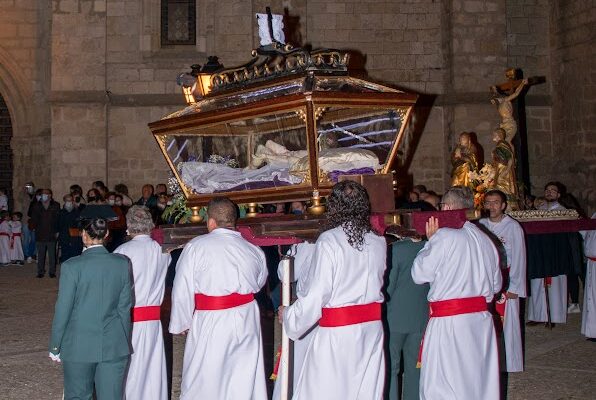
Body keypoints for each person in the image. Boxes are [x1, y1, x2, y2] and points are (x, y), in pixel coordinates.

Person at [280, 181, 386, 400]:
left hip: (339, 334)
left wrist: (290, 316)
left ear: (335, 206)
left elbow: (318, 293)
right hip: (371, 330)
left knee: (327, 391)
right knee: (363, 391)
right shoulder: (378, 240)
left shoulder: (329, 240)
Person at [169, 197, 268, 400]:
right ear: (234, 220)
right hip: (246, 319)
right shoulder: (254, 250)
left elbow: (182, 287)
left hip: (212, 320)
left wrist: (181, 322)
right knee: (242, 374)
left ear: (210, 221)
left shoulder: (197, 246)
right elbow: (259, 283)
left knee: (204, 377)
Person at [411, 186, 501, 400]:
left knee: (443, 382)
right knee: (477, 379)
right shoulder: (486, 240)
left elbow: (418, 274)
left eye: (441, 206)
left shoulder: (444, 237)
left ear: (449, 207)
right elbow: (496, 285)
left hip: (450, 323)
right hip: (481, 322)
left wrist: (429, 242)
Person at [48, 208, 132, 400]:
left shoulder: (72, 266)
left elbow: (63, 310)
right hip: (113, 343)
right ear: (107, 234)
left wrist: (55, 345)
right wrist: (122, 340)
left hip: (78, 345)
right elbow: (124, 308)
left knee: (78, 396)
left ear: (84, 235)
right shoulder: (121, 263)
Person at [114, 206, 171, 400]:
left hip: (130, 320)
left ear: (128, 227)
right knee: (152, 368)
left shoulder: (121, 252)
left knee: (131, 370)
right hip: (153, 320)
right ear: (151, 225)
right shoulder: (163, 251)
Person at [480, 190, 526, 373]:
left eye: (496, 202)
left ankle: (510, 362)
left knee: (508, 323)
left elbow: (520, 256)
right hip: (486, 281)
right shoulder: (481, 224)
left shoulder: (512, 227)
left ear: (504, 205)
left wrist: (516, 286)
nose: (491, 206)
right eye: (488, 202)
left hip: (507, 279)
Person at [385, 234, 429, 400]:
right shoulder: (431, 246)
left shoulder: (396, 249)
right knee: (416, 369)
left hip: (394, 319)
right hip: (421, 317)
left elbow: (388, 288)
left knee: (391, 368)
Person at [271, 242, 316, 400]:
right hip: (343, 321)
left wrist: (294, 247)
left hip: (309, 317)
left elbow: (286, 273)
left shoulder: (309, 244)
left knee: (298, 370)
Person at [527, 181, 569, 324]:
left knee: (555, 284)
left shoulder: (563, 210)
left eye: (553, 190)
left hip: (555, 253)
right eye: (547, 190)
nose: (549, 192)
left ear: (558, 194)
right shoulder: (539, 209)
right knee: (537, 283)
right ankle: (538, 316)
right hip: (539, 251)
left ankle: (555, 315)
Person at [30, 189, 60, 278]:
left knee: (52, 255)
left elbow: (57, 219)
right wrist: (33, 228)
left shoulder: (55, 205)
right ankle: (40, 271)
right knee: (41, 254)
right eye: (42, 194)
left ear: (50, 195)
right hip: (40, 233)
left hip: (51, 233)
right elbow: (33, 219)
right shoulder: (36, 205)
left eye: (46, 194)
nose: (44, 195)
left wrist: (57, 231)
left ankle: (52, 271)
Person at [490, 128, 518, 205]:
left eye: (494, 134)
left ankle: (507, 202)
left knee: (501, 184)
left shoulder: (503, 144)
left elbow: (510, 158)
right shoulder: (499, 144)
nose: (493, 136)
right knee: (497, 185)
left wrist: (507, 170)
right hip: (499, 168)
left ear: (499, 135)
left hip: (504, 168)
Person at [581, 213, 596, 340]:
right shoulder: (594, 215)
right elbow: (588, 235)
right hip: (591, 263)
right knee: (591, 297)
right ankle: (593, 330)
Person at [57, 195, 83, 263]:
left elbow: (81, 224)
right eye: (67, 201)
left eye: (70, 200)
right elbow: (58, 225)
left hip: (75, 238)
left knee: (75, 256)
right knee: (65, 256)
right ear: (64, 202)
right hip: (64, 237)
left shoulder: (77, 212)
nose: (69, 202)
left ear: (73, 201)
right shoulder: (61, 212)